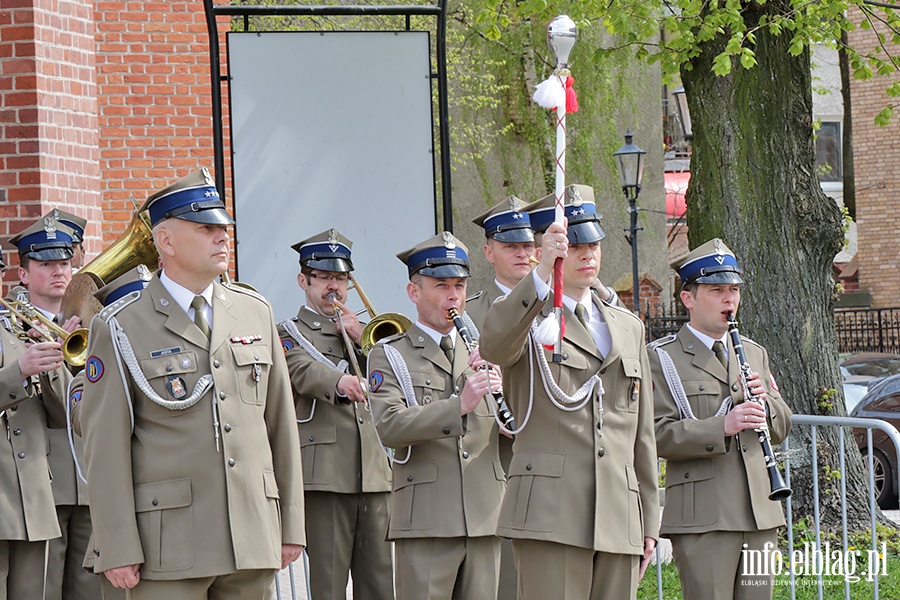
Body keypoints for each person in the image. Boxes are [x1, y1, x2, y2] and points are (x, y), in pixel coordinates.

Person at [78, 168, 305, 598]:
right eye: (206, 229)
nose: (222, 236)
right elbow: (104, 445)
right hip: (167, 546)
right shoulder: (122, 325)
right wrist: (118, 542)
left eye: (223, 228)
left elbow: (281, 425)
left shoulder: (254, 310)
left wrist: (290, 521)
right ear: (166, 241)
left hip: (251, 537)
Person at [480, 184, 659, 600]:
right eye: (574, 243)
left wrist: (648, 521)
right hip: (550, 513)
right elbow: (493, 344)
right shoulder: (528, 315)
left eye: (593, 241)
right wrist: (540, 276)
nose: (587, 252)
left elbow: (641, 436)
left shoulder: (627, 326)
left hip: (617, 514)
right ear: (549, 247)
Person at [648, 238, 792, 599]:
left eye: (734, 289)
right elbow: (655, 434)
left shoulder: (754, 352)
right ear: (688, 298)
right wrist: (722, 426)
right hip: (704, 516)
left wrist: (766, 403)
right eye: (716, 290)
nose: (729, 299)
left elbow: (781, 427)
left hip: (760, 511)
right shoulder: (662, 358)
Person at [367, 232, 506, 600]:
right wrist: (457, 406)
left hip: (484, 516)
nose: (453, 296)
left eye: (459, 286)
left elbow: (513, 429)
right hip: (426, 520)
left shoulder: (485, 349)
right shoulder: (390, 355)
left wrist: (504, 390)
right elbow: (390, 427)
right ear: (414, 292)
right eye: (441, 285)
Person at [277, 229, 394, 600]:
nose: (334, 287)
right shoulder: (289, 332)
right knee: (327, 586)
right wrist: (341, 382)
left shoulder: (369, 333)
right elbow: (302, 371)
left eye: (341, 279)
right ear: (303, 280)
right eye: (325, 277)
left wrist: (364, 339)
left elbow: (400, 375)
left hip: (376, 474)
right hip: (325, 477)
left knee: (380, 584)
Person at [25, 209, 98, 600]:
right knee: (44, 590)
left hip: (90, 478)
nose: (59, 271)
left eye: (65, 262)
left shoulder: (97, 324)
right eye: (46, 263)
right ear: (23, 274)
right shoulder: (13, 329)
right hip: (42, 485)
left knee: (92, 590)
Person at [468, 196, 536, 600]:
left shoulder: (557, 308)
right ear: (488, 251)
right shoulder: (470, 313)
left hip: (550, 452)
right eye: (511, 246)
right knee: (505, 580)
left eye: (528, 245)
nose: (523, 254)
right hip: (495, 460)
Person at [0, 243, 67, 600]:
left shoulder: (16, 328)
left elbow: (62, 418)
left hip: (31, 497)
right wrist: (18, 372)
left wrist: (53, 360)